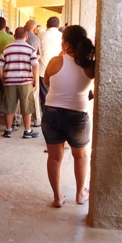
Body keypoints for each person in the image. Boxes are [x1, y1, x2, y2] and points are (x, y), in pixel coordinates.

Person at [42, 25, 95, 208]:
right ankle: (80, 194)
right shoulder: (90, 65)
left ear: (65, 43)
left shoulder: (55, 62)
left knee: (54, 158)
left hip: (51, 113)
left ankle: (57, 197)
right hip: (78, 115)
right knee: (81, 156)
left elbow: (47, 82)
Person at [0, 27, 40, 139]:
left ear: (14, 36)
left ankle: (8, 130)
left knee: (9, 106)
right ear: (26, 36)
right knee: (27, 106)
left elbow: (0, 67)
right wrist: (36, 81)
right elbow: (35, 66)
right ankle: (27, 131)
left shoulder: (6, 49)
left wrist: (3, 79)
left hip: (9, 81)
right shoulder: (31, 49)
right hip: (26, 82)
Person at [38, 16, 63, 111]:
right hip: (59, 70)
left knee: (44, 94)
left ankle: (46, 113)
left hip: (43, 70)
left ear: (47, 25)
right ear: (58, 25)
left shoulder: (41, 35)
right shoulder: (62, 36)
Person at [24, 19, 42, 127]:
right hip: (32, 68)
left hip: (19, 70)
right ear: (34, 29)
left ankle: (17, 120)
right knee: (34, 94)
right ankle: (36, 120)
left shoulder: (17, 37)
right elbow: (39, 54)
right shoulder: (36, 39)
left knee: (19, 97)